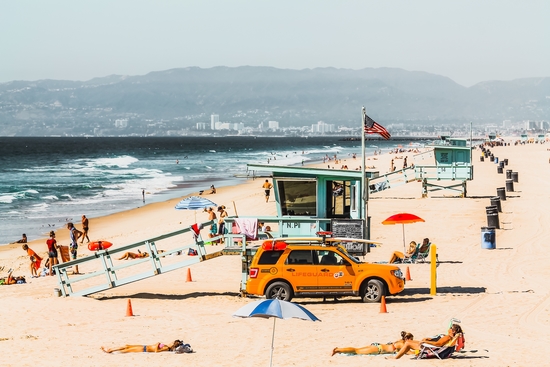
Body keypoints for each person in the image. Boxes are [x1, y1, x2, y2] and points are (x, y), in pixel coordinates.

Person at [387, 323, 463, 359]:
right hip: (434, 348)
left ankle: (395, 358)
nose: (449, 328)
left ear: (453, 331)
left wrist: (426, 342)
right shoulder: (450, 337)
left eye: (450, 327)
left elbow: (438, 343)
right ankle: (400, 355)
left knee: (407, 343)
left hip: (432, 349)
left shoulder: (448, 337)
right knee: (410, 342)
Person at [332, 331, 414, 356]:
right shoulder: (402, 344)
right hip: (377, 349)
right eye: (411, 340)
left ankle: (338, 349)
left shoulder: (399, 341)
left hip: (377, 346)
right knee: (356, 351)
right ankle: (337, 350)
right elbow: (409, 352)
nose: (412, 342)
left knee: (357, 349)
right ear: (407, 339)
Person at [101, 339, 183, 353]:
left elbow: (156, 351)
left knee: (126, 349)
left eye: (172, 342)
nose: (171, 341)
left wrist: (157, 344)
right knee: (127, 345)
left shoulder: (166, 348)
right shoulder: (165, 345)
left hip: (144, 349)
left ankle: (110, 350)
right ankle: (110, 349)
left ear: (173, 344)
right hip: (144, 346)